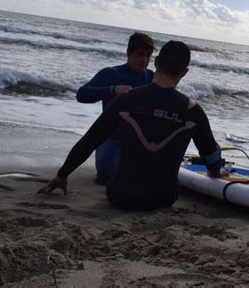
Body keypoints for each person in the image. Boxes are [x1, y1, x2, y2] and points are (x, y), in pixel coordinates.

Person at [40, 40, 223, 210]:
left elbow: (90, 140)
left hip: (120, 196)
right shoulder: (193, 110)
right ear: (184, 72)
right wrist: (216, 169)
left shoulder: (127, 99)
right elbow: (211, 157)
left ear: (156, 62)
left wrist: (62, 175)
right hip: (163, 199)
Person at [76, 32, 155, 184]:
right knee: (106, 173)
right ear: (128, 53)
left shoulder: (152, 77)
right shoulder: (111, 73)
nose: (144, 60)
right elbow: (82, 95)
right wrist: (112, 90)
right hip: (112, 138)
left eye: (148, 56)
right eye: (140, 54)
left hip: (140, 140)